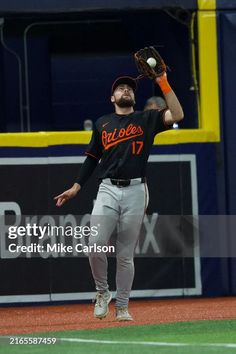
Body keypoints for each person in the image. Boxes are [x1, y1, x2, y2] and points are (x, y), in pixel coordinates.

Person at [54, 72, 184, 321]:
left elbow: (177, 115)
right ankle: (102, 292)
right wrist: (76, 186)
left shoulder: (147, 119)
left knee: (125, 254)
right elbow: (92, 158)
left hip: (136, 190)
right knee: (94, 245)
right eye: (120, 88)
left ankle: (122, 306)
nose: (125, 90)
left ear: (134, 96)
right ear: (111, 97)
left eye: (129, 88)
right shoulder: (103, 122)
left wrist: (163, 82)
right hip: (108, 190)